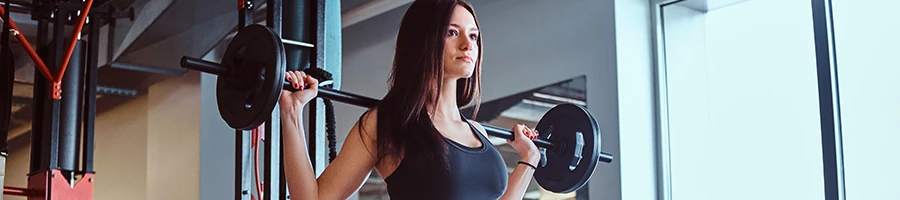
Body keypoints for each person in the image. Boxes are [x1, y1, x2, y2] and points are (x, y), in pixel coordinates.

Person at [279, 0, 540, 199]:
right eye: (452, 32)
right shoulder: (387, 124)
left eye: (473, 36)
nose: (467, 44)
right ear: (423, 41)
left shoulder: (478, 131)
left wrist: (529, 159)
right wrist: (291, 112)